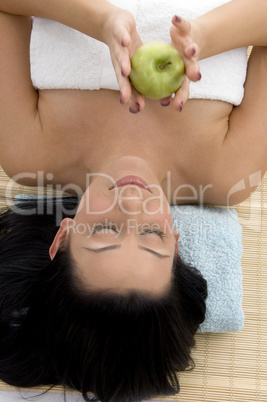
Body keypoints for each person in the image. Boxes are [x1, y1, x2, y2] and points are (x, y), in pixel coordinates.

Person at [0, 0, 266, 401]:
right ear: (177, 242)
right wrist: (204, 38)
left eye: (105, 229)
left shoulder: (27, 152)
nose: (131, 204)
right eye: (152, 235)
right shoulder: (227, 171)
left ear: (63, 237)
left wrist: (98, 18)